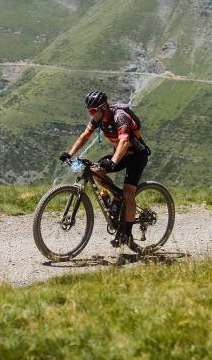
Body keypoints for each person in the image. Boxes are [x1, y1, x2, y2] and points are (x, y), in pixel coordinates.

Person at [59, 90, 150, 247]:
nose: (91, 114)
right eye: (89, 111)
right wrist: (69, 153)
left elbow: (124, 142)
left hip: (136, 156)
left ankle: (127, 234)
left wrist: (113, 161)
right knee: (94, 170)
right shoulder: (98, 119)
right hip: (120, 155)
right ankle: (116, 195)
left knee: (129, 193)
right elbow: (84, 136)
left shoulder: (119, 117)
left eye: (93, 111)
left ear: (103, 108)